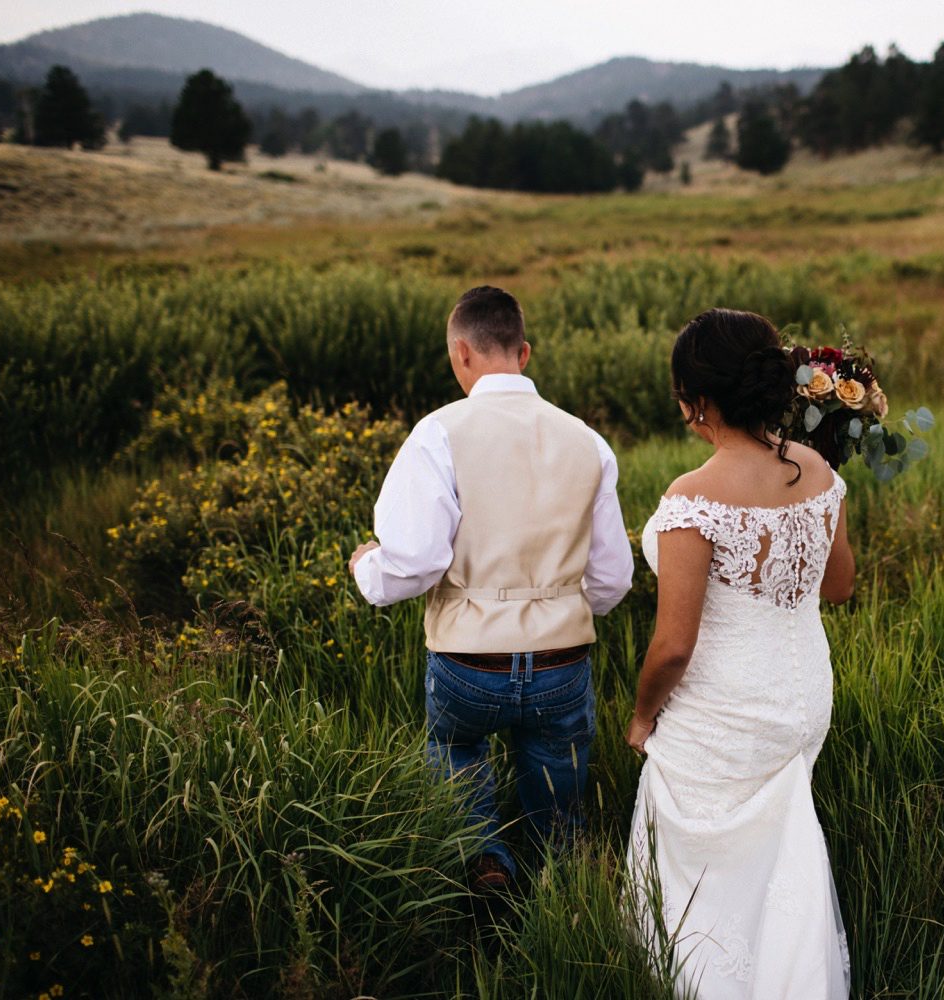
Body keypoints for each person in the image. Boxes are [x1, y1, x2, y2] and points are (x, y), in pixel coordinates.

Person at [348, 285, 634, 893]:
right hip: (562, 657)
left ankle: (481, 860)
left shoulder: (437, 434)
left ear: (461, 353)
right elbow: (612, 577)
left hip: (467, 660)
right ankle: (564, 890)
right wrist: (569, 609)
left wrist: (367, 569)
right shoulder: (587, 440)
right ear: (523, 352)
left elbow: (418, 560)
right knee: (561, 802)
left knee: (456, 752)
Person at [626, 308, 856, 998]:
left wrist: (642, 718)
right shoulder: (818, 469)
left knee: (695, 856)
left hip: (726, 711)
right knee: (776, 849)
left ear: (696, 400)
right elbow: (839, 587)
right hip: (802, 700)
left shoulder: (692, 497)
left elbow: (672, 646)